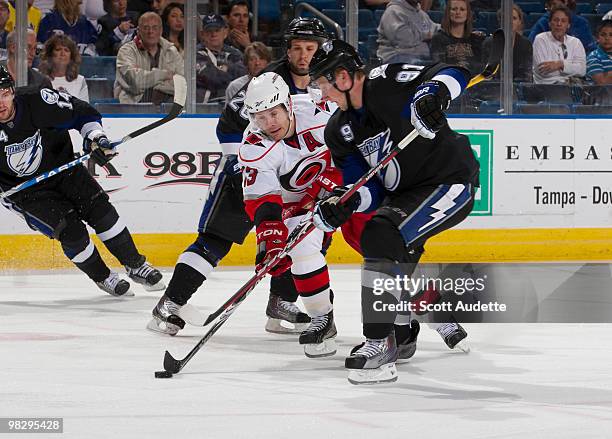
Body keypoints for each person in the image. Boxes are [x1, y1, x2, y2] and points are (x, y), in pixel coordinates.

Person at [309, 39, 478, 384]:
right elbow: (367, 188)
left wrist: (430, 95)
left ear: (342, 76)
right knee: (388, 248)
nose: (323, 95)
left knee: (380, 234)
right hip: (404, 196)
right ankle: (401, 335)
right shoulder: (338, 131)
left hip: (449, 180)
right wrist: (346, 203)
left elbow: (453, 72)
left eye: (324, 84)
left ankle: (378, 343)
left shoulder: (385, 80)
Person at [148, 17, 329, 337]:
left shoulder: (322, 82)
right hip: (246, 173)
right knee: (215, 240)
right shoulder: (269, 81)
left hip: (293, 179)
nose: (304, 56)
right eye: (297, 48)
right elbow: (229, 123)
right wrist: (249, 165)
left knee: (304, 237)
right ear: (287, 50)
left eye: (310, 49)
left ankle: (281, 304)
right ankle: (170, 304)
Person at [0, 66, 164, 297]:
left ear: (13, 92)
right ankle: (103, 277)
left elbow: (82, 114)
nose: (1, 102)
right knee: (72, 232)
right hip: (24, 193)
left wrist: (96, 138)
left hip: (63, 169)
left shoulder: (38, 101)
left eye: (4, 93)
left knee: (102, 212)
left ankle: (136, 265)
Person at [238, 73, 338, 357]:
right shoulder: (255, 144)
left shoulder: (321, 113)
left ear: (288, 105)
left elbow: (351, 146)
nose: (269, 123)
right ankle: (323, 319)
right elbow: (263, 199)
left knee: (382, 240)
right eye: (260, 117)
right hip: (297, 205)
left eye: (274, 112)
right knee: (302, 248)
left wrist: (332, 186)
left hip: (348, 188)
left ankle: (430, 311)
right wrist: (270, 240)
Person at [114, 12, 184, 104]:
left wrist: (149, 83)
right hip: (132, 109)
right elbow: (135, 82)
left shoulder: (171, 51)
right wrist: (164, 75)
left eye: (155, 27)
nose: (150, 32)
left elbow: (182, 84)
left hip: (166, 109)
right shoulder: (127, 51)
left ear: (161, 30)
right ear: (138, 30)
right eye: (146, 28)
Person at [195, 14, 246, 103]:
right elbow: (212, 79)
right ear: (202, 34)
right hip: (204, 108)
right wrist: (230, 69)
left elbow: (244, 76)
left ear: (225, 32)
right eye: (209, 31)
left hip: (233, 105)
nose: (213, 34)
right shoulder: (196, 53)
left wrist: (223, 69)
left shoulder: (235, 53)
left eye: (217, 30)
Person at [533, 5, 586, 84]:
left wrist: (560, 65)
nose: (559, 24)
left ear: (568, 25)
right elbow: (543, 71)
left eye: (563, 21)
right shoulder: (541, 39)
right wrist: (572, 68)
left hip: (570, 86)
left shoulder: (576, 42)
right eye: (556, 20)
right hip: (546, 88)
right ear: (550, 23)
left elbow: (582, 70)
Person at [430, 0, 485, 76]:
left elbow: (482, 67)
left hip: (475, 82)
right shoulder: (438, 38)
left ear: (468, 14)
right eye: (454, 9)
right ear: (448, 13)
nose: (458, 12)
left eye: (462, 9)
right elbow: (439, 66)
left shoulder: (475, 39)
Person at [483, 3, 533, 82]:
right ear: (500, 21)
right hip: (493, 89)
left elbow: (526, 75)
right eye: (506, 18)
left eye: (514, 18)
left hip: (518, 89)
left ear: (519, 22)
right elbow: (487, 73)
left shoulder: (526, 44)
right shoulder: (489, 43)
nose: (510, 21)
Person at [529, 0, 596, 53]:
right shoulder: (543, 22)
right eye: (550, 5)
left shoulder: (582, 23)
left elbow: (590, 49)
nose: (552, 8)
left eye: (554, 4)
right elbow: (530, 46)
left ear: (565, 2)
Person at [38, 34, 89, 101]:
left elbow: (85, 109)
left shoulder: (80, 81)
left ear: (71, 56)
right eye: (58, 49)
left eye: (66, 50)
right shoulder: (38, 77)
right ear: (50, 54)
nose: (62, 53)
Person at [224, 41, 271, 106]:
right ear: (246, 63)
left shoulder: (277, 85)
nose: (257, 63)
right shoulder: (235, 87)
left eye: (261, 59)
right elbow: (229, 115)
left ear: (267, 62)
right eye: (252, 59)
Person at [586, 20, 612, 85]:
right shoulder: (593, 57)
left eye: (611, 35)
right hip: (602, 94)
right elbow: (601, 82)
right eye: (603, 35)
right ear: (597, 38)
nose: (607, 38)